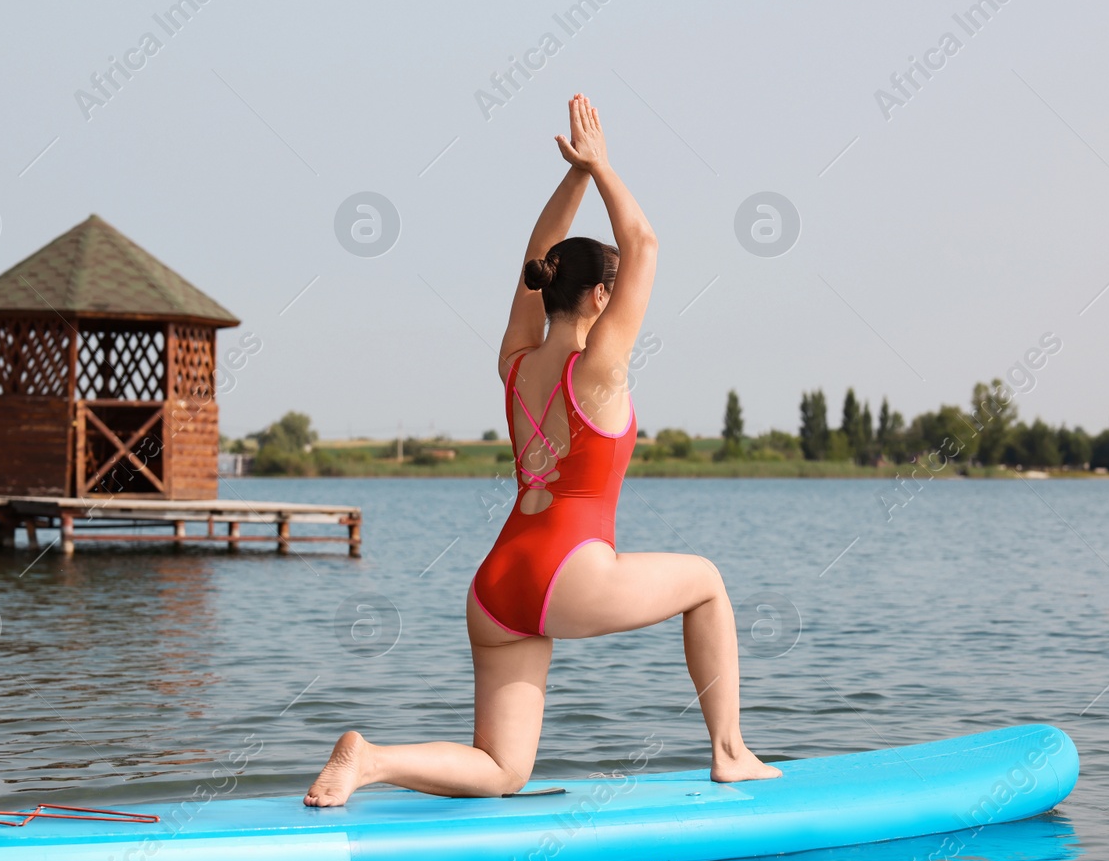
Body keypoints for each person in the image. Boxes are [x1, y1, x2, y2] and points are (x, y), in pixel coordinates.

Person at [305, 94, 779, 806]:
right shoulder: (600, 368)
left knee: (503, 769)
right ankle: (730, 750)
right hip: (571, 570)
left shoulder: (516, 361)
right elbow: (646, 245)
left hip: (499, 583)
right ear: (596, 297)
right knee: (707, 581)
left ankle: (369, 760)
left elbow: (534, 258)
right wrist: (604, 168)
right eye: (611, 293)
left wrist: (575, 178)